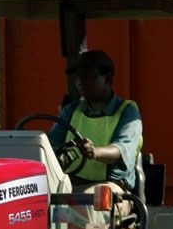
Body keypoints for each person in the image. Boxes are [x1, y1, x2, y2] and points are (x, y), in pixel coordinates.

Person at [48, 49, 142, 191]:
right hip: (70, 183)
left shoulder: (127, 112)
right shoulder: (71, 110)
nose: (81, 82)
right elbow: (50, 145)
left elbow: (120, 150)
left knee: (87, 203)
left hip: (113, 187)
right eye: (79, 77)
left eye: (90, 76)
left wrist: (95, 152)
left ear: (108, 79)